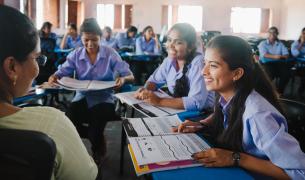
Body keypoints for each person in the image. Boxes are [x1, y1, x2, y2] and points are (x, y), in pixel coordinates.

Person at [175, 35, 305, 179]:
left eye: (213, 66)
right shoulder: (230, 95)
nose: (203, 71)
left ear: (237, 73)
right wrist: (201, 124)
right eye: (205, 63)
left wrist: (236, 158)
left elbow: (300, 173)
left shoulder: (258, 115)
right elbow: (227, 113)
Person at [0, 5, 97, 180]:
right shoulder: (52, 125)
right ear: (12, 67)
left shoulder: (109, 54)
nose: (38, 69)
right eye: (36, 58)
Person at [48, 18, 134, 164]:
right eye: (86, 40)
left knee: (96, 122)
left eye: (94, 40)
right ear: (81, 37)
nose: (90, 44)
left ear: (100, 37)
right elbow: (61, 72)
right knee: (69, 121)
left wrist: (123, 80)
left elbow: (130, 75)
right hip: (82, 97)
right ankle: (99, 140)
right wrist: (54, 76)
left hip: (104, 99)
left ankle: (97, 152)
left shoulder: (110, 53)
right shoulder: (76, 54)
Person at [134, 23, 214, 111]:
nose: (170, 45)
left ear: (190, 46)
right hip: (179, 110)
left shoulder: (198, 63)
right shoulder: (169, 60)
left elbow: (196, 103)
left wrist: (159, 101)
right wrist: (145, 91)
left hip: (204, 114)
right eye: (169, 40)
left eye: (178, 42)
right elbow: (154, 81)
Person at [258, 26, 290, 94]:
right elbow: (264, 55)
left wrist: (278, 57)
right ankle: (265, 92)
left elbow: (286, 55)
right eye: (270, 32)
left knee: (286, 74)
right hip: (267, 63)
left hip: (279, 63)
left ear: (277, 34)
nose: (272, 34)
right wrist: (277, 56)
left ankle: (279, 92)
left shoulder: (280, 44)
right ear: (268, 33)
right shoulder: (263, 44)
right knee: (269, 74)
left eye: (274, 33)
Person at [291, 27, 305, 95]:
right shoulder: (295, 44)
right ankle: (300, 93)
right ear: (301, 34)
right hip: (298, 66)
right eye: (304, 34)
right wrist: (301, 43)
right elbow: (295, 55)